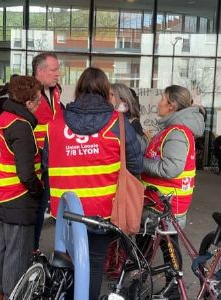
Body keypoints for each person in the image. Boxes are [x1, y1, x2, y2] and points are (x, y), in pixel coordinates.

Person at [45, 67, 143, 300]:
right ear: (105, 91)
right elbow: (136, 164)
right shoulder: (116, 123)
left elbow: (46, 164)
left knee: (69, 260)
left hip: (66, 211)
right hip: (102, 212)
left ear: (78, 89)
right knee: (94, 262)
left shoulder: (56, 123)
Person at [0, 76, 44, 300]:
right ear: (28, 103)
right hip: (17, 197)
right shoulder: (22, 126)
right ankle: (13, 294)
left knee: (2, 246)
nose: (40, 104)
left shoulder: (4, 118)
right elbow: (26, 173)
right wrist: (37, 191)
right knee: (17, 253)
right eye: (38, 100)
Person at [141, 85, 205, 298]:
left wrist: (141, 163)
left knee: (168, 248)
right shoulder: (174, 130)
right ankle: (165, 284)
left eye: (162, 98)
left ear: (172, 105)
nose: (159, 102)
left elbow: (171, 168)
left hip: (167, 204)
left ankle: (175, 289)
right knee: (159, 246)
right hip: (161, 203)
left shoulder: (177, 133)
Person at [32, 52, 64, 253]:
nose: (58, 74)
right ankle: (31, 250)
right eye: (54, 70)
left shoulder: (56, 91)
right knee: (34, 210)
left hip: (53, 160)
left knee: (47, 205)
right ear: (40, 72)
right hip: (33, 161)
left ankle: (34, 249)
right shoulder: (28, 93)